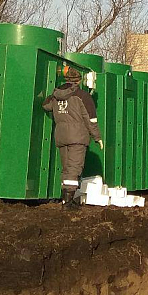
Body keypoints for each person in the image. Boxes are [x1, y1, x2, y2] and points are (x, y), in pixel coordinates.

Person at [42, 67, 102, 208]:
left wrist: (54, 94)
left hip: (61, 136)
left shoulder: (56, 95)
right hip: (77, 137)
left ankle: (66, 199)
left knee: (66, 169)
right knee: (74, 169)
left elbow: (45, 105)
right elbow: (91, 119)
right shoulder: (83, 96)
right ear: (79, 80)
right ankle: (68, 202)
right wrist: (97, 137)